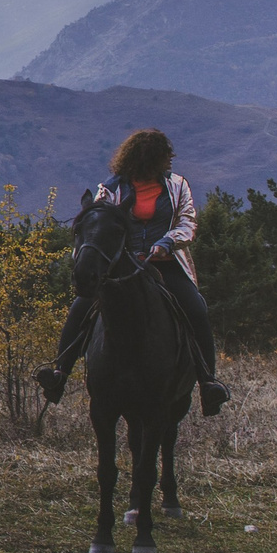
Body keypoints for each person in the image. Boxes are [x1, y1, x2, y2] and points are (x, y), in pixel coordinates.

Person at [37, 128, 232, 416]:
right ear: (148, 159)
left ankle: (207, 383)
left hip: (165, 265)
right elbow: (100, 222)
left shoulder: (178, 186)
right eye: (165, 157)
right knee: (80, 307)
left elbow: (187, 222)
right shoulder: (112, 188)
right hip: (123, 266)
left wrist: (166, 243)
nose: (169, 163)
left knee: (196, 308)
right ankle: (59, 374)